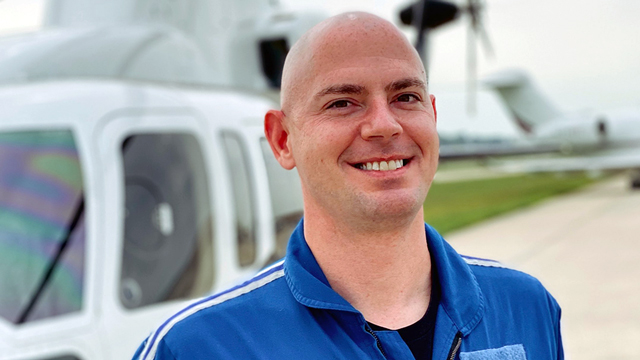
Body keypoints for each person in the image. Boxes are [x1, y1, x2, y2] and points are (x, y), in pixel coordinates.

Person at [133, 12, 563, 360]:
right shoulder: (196, 347)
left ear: (433, 115)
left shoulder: (526, 307)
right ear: (283, 140)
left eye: (405, 97)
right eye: (342, 102)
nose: (384, 124)